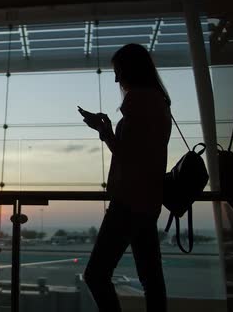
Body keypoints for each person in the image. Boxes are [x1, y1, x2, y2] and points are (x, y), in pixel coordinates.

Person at [80, 43, 172, 312]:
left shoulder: (137, 101)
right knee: (151, 278)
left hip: (129, 200)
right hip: (149, 199)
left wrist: (104, 130)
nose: (117, 78)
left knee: (96, 274)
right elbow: (142, 153)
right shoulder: (159, 101)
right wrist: (107, 129)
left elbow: (129, 156)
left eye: (119, 71)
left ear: (131, 70)